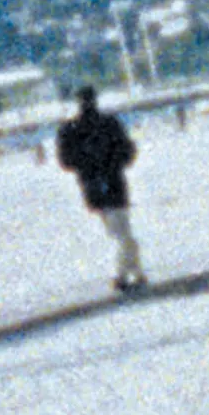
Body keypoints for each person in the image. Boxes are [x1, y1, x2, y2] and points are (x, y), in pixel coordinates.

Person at [56, 85, 147, 293]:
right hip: (112, 184)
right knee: (123, 234)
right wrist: (110, 163)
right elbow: (128, 151)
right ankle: (125, 275)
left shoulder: (71, 130)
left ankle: (132, 273)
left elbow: (66, 161)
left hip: (95, 187)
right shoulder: (109, 124)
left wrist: (90, 167)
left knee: (121, 233)